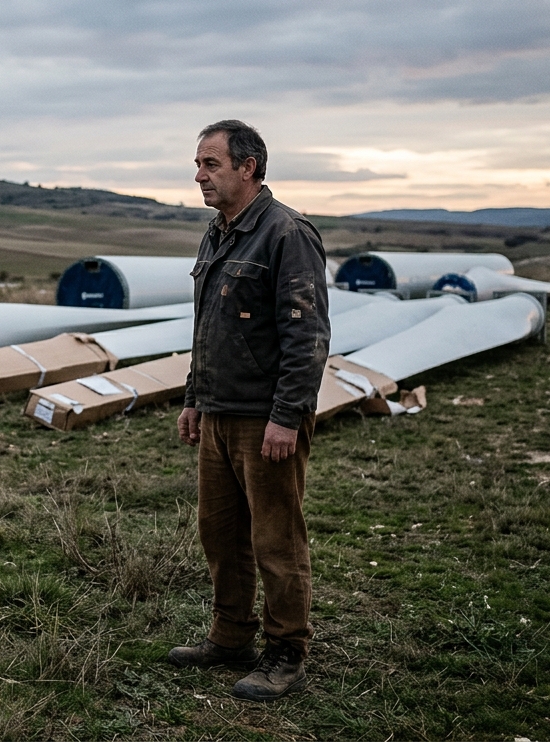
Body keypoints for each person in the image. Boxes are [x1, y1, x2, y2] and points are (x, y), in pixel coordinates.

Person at [168, 120, 330, 702]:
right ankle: (229, 637)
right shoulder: (218, 234)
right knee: (221, 534)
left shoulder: (287, 234)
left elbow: (306, 336)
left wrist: (287, 416)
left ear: (249, 167)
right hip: (218, 412)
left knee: (276, 539)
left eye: (211, 164)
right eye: (198, 163)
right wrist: (194, 399)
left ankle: (287, 651)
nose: (199, 175)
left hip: (266, 419)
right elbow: (206, 326)